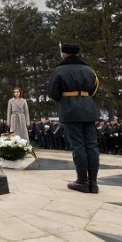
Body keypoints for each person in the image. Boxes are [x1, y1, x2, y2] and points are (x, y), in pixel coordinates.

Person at [47, 43, 100, 194]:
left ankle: (82, 181)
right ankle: (93, 183)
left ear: (64, 54)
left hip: (71, 110)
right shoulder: (89, 70)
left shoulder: (59, 70)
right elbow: (94, 88)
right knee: (91, 145)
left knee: (78, 146)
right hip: (88, 108)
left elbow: (52, 92)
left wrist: (67, 100)